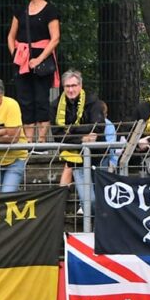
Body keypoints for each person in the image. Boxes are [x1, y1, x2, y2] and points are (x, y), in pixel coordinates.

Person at [6, 0, 61, 148]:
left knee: (41, 99)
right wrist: (16, 54)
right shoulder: (20, 10)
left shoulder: (50, 10)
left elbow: (55, 38)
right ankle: (28, 142)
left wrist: (39, 59)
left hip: (42, 59)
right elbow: (11, 36)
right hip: (22, 59)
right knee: (25, 99)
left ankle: (42, 143)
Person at [52, 70, 104, 218]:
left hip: (99, 157)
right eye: (67, 86)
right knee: (90, 201)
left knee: (103, 200)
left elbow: (98, 128)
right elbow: (58, 136)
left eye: (74, 85)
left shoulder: (93, 102)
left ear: (80, 86)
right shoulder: (55, 106)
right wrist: (82, 138)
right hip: (75, 160)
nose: (70, 89)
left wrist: (72, 131)